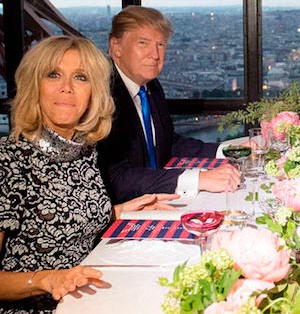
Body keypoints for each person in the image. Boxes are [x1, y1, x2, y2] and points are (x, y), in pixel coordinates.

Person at [0, 36, 178, 313]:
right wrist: (48, 279)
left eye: (81, 78)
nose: (67, 88)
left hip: (91, 296)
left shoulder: (84, 150)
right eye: (53, 75)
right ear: (33, 87)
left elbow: (63, 218)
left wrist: (118, 211)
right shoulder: (7, 159)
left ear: (94, 93)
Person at [96, 6, 240, 203]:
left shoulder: (151, 87)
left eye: (161, 45)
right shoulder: (102, 96)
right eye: (143, 43)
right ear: (116, 47)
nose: (155, 55)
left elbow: (167, 143)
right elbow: (116, 179)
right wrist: (199, 179)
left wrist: (227, 150)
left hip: (155, 196)